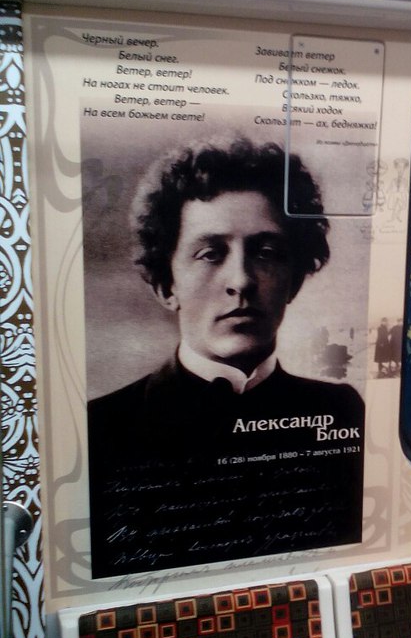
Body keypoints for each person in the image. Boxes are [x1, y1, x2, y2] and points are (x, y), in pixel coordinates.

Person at [87, 139, 364, 578]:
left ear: (293, 281)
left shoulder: (341, 411)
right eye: (210, 253)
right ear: (166, 285)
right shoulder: (102, 429)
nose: (242, 280)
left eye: (266, 252)